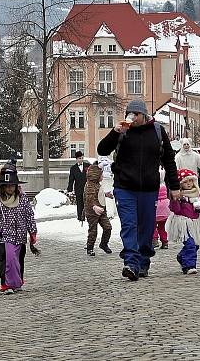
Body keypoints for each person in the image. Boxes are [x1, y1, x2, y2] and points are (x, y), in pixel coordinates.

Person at [97, 99, 180, 281]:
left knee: (146, 227)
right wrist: (114, 132)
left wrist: (174, 186)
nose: (132, 118)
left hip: (149, 189)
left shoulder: (157, 131)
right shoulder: (122, 131)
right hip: (124, 187)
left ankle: (143, 262)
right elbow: (102, 149)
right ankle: (131, 263)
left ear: (144, 115)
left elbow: (169, 160)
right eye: (130, 114)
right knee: (129, 225)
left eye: (136, 114)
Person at [0, 163, 37, 295]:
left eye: (11, 185)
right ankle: (6, 283)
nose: (9, 188)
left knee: (18, 260)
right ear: (2, 186)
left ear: (16, 186)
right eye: (6, 186)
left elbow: (29, 215)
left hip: (20, 235)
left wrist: (33, 232)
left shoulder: (22, 198)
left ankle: (17, 282)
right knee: (7, 259)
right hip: (5, 235)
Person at [166, 169, 200, 274]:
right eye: (185, 182)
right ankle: (189, 266)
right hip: (183, 222)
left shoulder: (197, 193)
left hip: (195, 223)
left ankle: (182, 256)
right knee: (190, 243)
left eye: (190, 181)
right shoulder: (179, 195)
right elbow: (175, 209)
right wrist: (176, 200)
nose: (189, 184)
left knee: (195, 245)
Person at [83, 163, 112, 257]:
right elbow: (89, 198)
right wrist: (94, 206)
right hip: (92, 212)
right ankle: (90, 247)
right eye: (101, 175)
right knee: (93, 230)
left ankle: (103, 244)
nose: (102, 176)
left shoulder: (97, 185)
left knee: (108, 227)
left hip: (101, 210)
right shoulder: (89, 186)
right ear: (96, 175)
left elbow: (98, 194)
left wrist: (106, 194)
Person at [67, 151, 90, 222]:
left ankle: (89, 216)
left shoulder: (88, 166)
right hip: (78, 188)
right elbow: (71, 179)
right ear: (76, 159)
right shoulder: (73, 168)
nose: (81, 159)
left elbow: (92, 175)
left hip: (87, 188)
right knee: (80, 203)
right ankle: (80, 217)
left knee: (88, 202)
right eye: (79, 158)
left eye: (82, 158)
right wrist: (69, 189)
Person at [153, 182, 170, 250]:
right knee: (162, 228)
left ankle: (154, 240)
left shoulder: (154, 201)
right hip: (164, 216)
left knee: (153, 227)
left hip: (155, 215)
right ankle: (165, 242)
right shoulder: (166, 200)